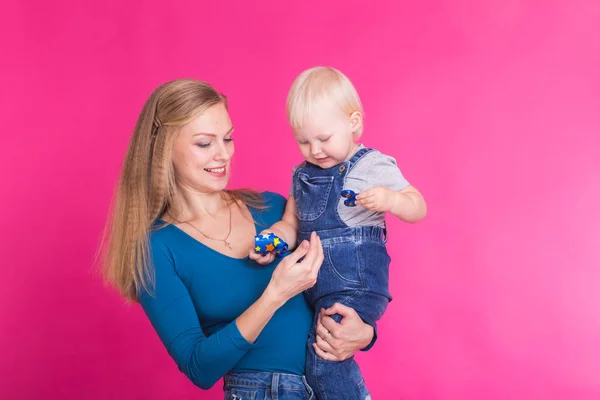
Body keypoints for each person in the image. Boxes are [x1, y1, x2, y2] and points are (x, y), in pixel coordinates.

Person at [101, 78, 377, 399]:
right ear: (163, 148)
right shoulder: (156, 248)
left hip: (339, 385)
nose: (223, 154)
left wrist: (365, 333)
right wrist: (274, 294)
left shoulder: (274, 209)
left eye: (228, 138)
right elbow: (198, 367)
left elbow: (346, 274)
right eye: (205, 143)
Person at [249, 66, 427, 399]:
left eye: (324, 138)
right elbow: (291, 224)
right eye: (303, 141)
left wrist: (392, 199)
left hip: (357, 282)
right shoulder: (302, 176)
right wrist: (272, 240)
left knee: (325, 359)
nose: (315, 150)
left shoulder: (370, 165)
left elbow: (418, 207)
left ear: (353, 123)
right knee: (308, 359)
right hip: (317, 288)